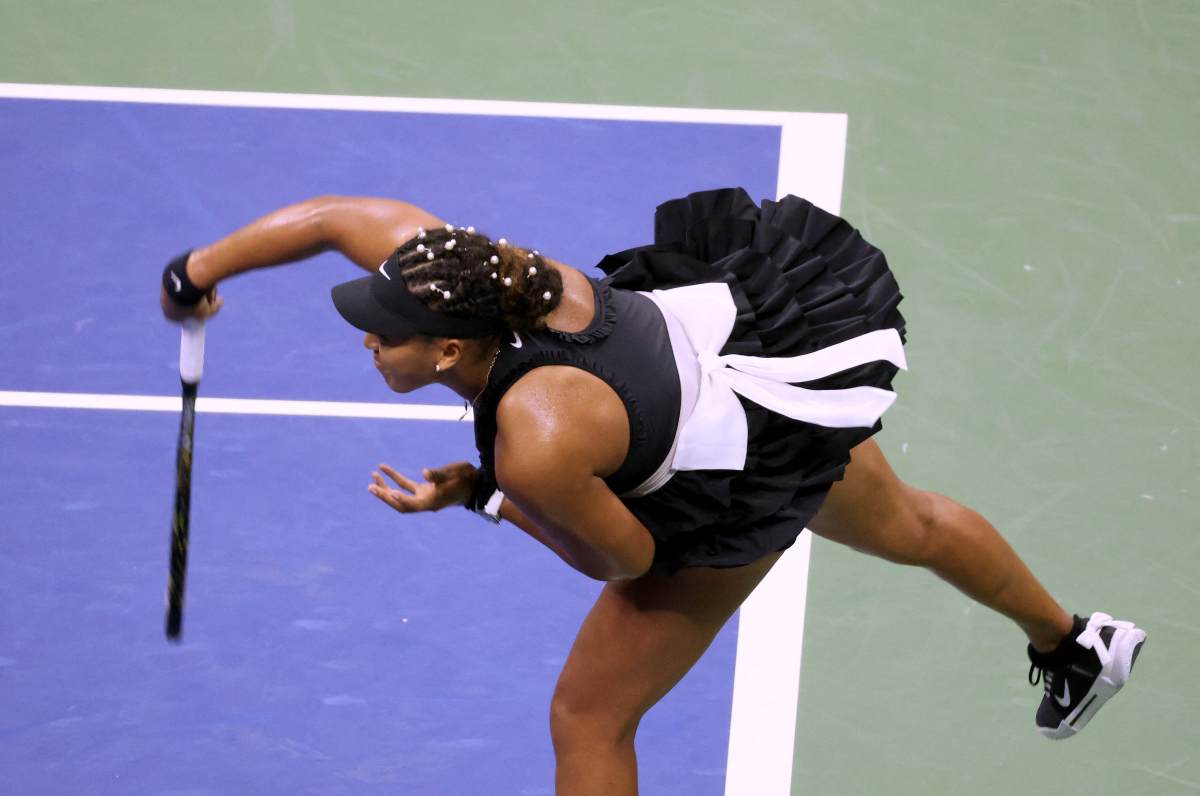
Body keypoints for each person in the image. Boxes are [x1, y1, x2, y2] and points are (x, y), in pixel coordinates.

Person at [160, 188, 1145, 794]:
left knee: (588, 719)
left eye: (383, 332)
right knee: (916, 521)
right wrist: (196, 270)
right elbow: (337, 218)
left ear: (450, 349)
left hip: (727, 483)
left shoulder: (537, 438)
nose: (367, 338)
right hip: (760, 386)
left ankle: (1073, 645)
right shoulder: (472, 268)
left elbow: (631, 556)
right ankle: (1076, 644)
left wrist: (493, 498)